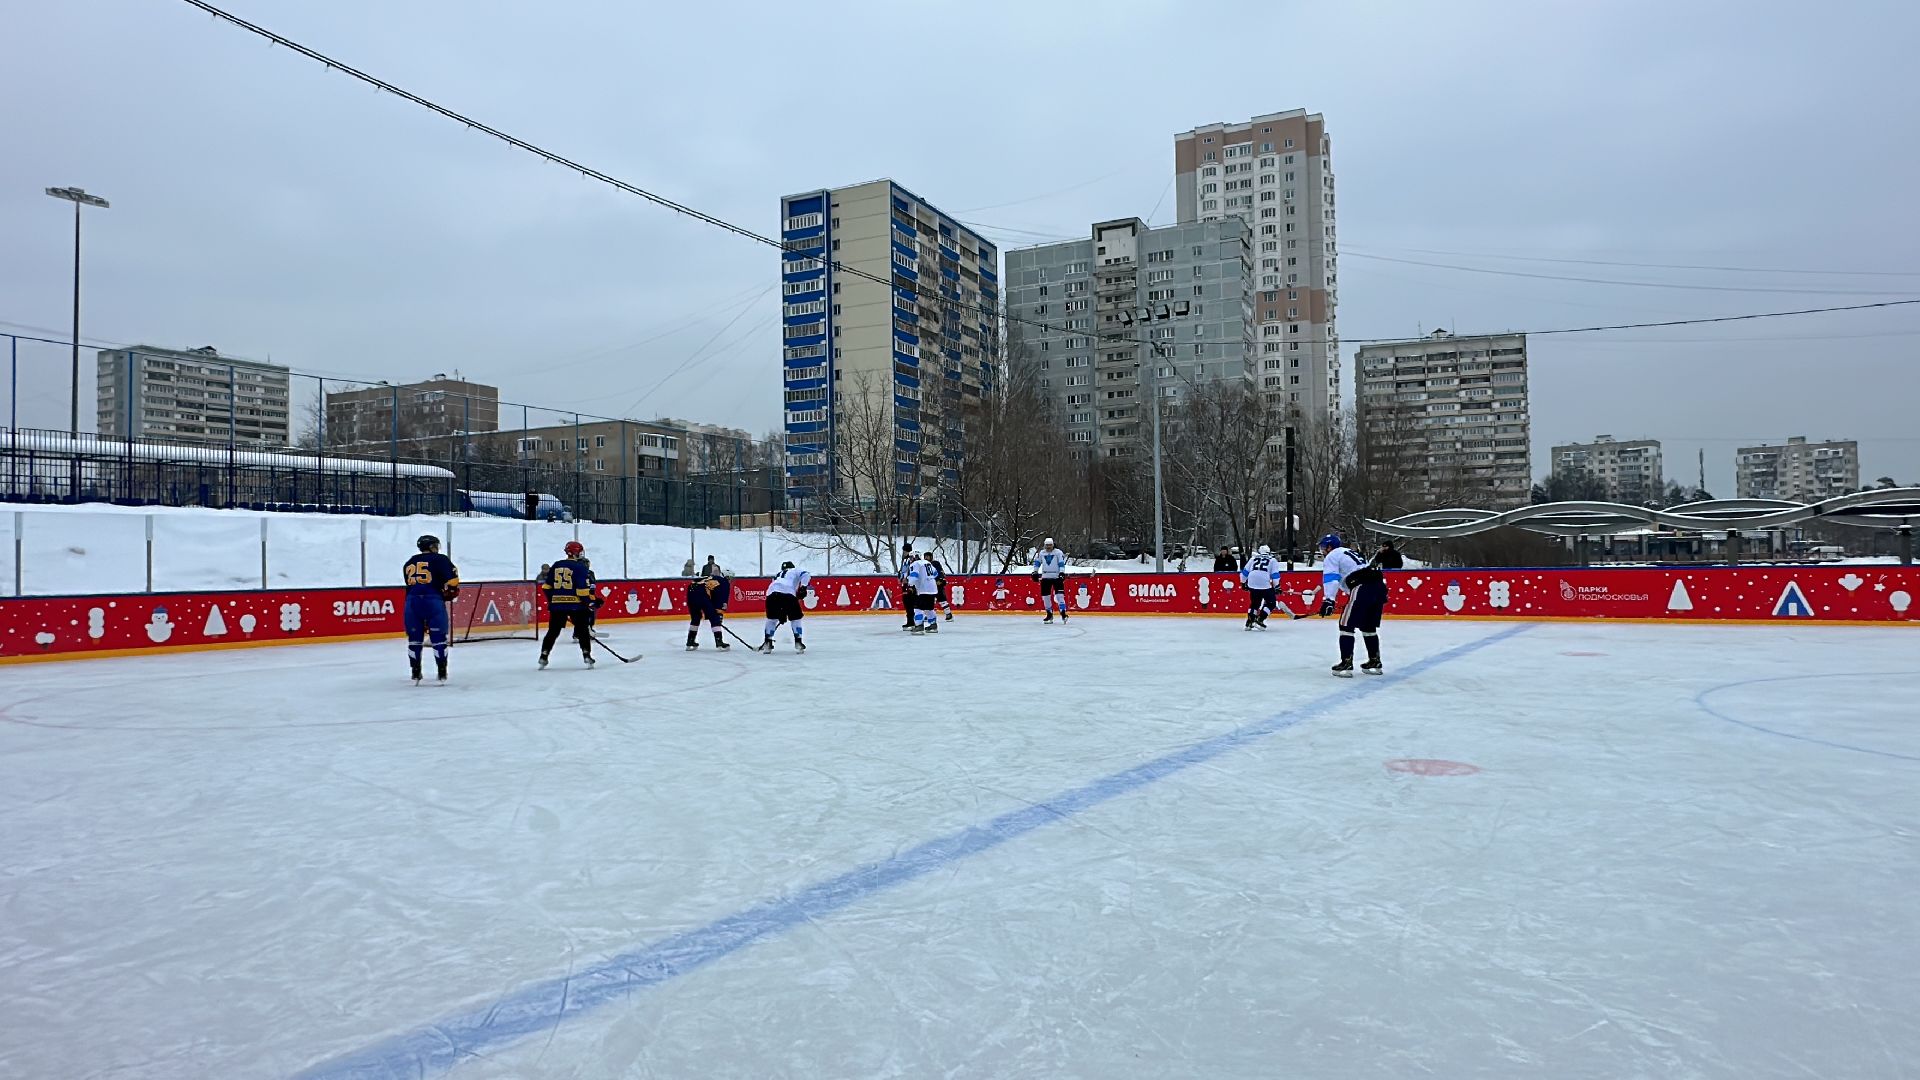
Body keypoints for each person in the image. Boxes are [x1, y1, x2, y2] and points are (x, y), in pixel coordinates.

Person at [1317, 533, 1388, 677]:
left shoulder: (1332, 556)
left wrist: (1329, 599)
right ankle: (1375, 661)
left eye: (1324, 548)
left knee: (1345, 624)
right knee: (1368, 626)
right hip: (1379, 586)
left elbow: (1331, 578)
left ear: (1330, 547)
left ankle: (1346, 664)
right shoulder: (1349, 552)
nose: (1323, 551)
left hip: (1362, 586)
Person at [402, 534, 460, 683]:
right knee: (438, 638)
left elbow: (409, 585)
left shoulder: (409, 562)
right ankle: (442, 671)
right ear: (431, 546)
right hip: (432, 599)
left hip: (412, 601)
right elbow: (453, 581)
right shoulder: (440, 559)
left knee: (414, 639)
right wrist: (451, 590)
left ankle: (415, 672)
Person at [537, 540, 598, 669]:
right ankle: (587, 655)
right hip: (576, 605)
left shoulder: (556, 565)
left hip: (557, 606)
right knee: (582, 631)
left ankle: (544, 655)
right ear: (575, 552)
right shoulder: (580, 567)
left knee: (553, 631)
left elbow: (546, 587)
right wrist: (590, 602)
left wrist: (553, 601)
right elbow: (581, 591)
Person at [761, 561, 810, 653]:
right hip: (788, 594)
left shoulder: (777, 575)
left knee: (771, 619)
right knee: (796, 618)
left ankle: (767, 642)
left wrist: (781, 613)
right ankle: (798, 642)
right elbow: (806, 574)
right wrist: (803, 587)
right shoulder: (794, 570)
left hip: (771, 595)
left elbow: (778, 592)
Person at [685, 566, 732, 650]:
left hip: (691, 590)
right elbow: (721, 600)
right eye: (730, 578)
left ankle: (690, 641)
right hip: (701, 594)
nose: (730, 580)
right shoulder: (724, 582)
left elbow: (712, 595)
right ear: (727, 576)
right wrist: (719, 615)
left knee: (696, 617)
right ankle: (719, 642)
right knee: (714, 618)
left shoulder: (712, 578)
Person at [1240, 544, 1281, 630]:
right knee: (1271, 603)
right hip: (1264, 583)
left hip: (1252, 581)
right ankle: (1260, 619)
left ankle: (1249, 622)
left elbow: (1244, 572)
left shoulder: (1253, 558)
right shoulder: (1272, 560)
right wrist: (1277, 586)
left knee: (1255, 603)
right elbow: (1275, 575)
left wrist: (1243, 583)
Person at [1034, 537, 1070, 623]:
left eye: (1050, 545)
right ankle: (1049, 614)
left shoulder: (1058, 552)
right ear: (1044, 545)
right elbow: (1037, 562)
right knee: (1045, 597)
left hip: (1057, 577)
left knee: (1059, 596)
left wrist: (1062, 572)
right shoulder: (1041, 553)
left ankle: (1063, 613)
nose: (1048, 547)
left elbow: (1061, 563)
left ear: (1053, 545)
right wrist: (1035, 572)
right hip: (1045, 577)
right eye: (1047, 545)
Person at [906, 551, 942, 634]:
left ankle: (919, 627)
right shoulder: (927, 562)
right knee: (929, 608)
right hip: (932, 588)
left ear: (915, 557)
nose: (910, 559)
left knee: (918, 608)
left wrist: (910, 585)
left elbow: (914, 576)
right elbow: (936, 574)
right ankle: (933, 625)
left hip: (923, 589)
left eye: (911, 557)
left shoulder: (915, 564)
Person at [927, 553, 955, 621]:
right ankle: (928, 615)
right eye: (925, 556)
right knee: (929, 601)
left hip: (938, 585)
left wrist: (940, 580)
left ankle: (948, 614)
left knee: (942, 600)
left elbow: (941, 572)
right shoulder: (924, 565)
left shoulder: (935, 563)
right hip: (929, 586)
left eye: (927, 556)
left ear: (931, 557)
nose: (926, 558)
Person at [898, 546, 918, 630]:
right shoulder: (905, 560)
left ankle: (914, 622)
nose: (903, 553)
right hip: (905, 584)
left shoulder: (912, 560)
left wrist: (908, 580)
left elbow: (913, 571)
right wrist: (900, 577)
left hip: (911, 584)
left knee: (911, 603)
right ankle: (910, 621)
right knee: (907, 603)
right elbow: (903, 571)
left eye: (904, 551)